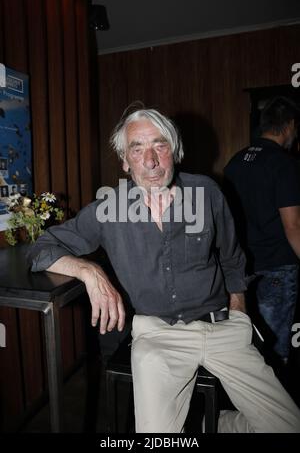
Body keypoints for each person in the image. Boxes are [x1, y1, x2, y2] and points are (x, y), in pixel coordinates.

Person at [27, 106, 300, 433]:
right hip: (157, 335)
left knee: (287, 426)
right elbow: (41, 248)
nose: (151, 160)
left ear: (176, 151)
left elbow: (232, 258)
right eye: (137, 149)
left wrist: (239, 315)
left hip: (223, 328)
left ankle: (204, 427)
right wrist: (89, 271)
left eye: (160, 145)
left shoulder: (207, 193)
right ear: (125, 161)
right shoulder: (109, 209)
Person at [224, 96, 300, 367]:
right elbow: (293, 226)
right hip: (277, 267)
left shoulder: (235, 162)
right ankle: (270, 408)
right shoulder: (284, 164)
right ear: (289, 126)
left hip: (241, 270)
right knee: (275, 354)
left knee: (248, 350)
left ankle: (250, 406)